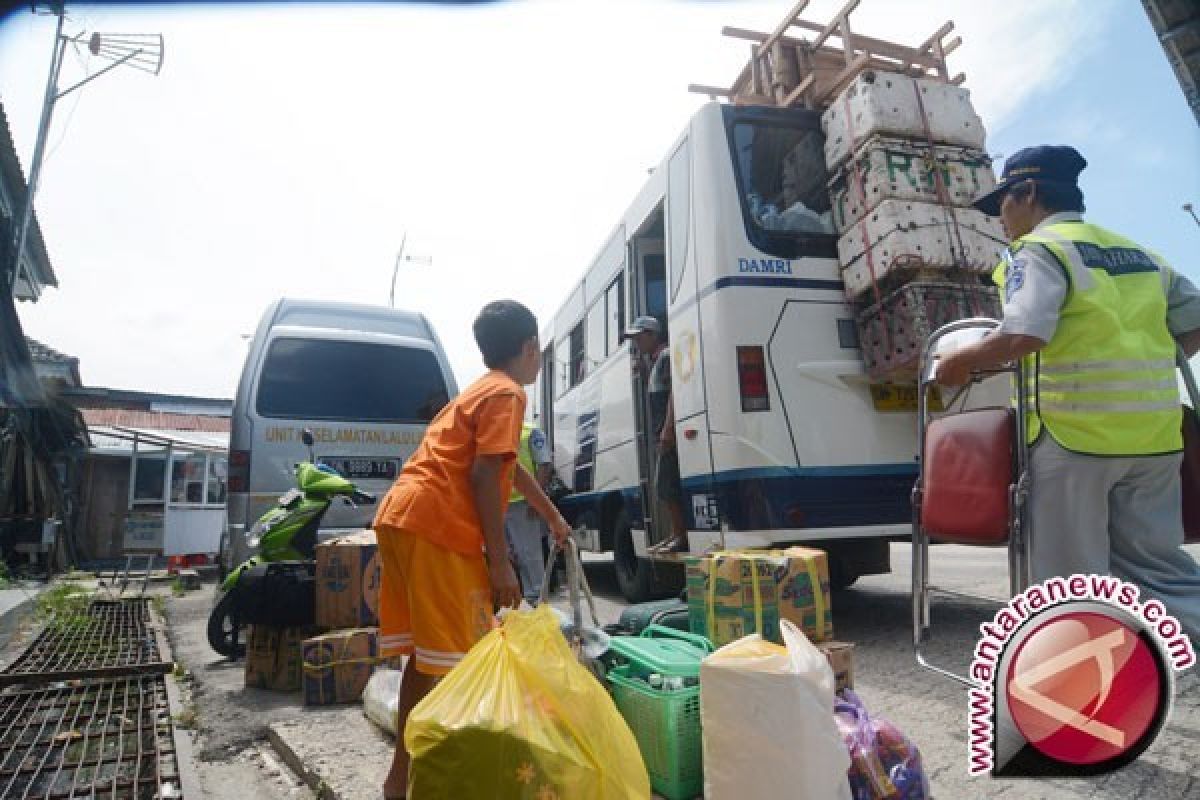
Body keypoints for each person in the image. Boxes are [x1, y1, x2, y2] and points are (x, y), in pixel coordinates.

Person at [935, 145, 1200, 643]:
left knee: (1072, 578)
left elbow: (1026, 334)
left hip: (1074, 436)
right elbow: (1196, 320)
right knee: (1161, 569)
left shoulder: (1039, 250)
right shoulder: (1140, 254)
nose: (1001, 221)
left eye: (1002, 207)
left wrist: (960, 360)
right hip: (1155, 436)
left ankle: (1077, 677)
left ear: (1029, 193)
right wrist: (1154, 360)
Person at [372, 299, 571, 800]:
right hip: (438, 527)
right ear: (529, 349)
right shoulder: (508, 393)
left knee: (427, 657)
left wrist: (550, 515)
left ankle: (400, 782)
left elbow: (508, 467)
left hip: (402, 519)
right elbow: (485, 475)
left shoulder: (478, 392)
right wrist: (500, 562)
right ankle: (449, 778)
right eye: (540, 352)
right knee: (458, 660)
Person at [626, 315, 687, 553]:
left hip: (667, 433)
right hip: (662, 431)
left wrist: (668, 429)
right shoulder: (655, 361)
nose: (636, 343)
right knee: (665, 486)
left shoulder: (666, 356)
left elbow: (674, 393)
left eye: (639, 337)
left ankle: (680, 536)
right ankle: (675, 533)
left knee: (666, 485)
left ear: (652, 335)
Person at [505, 422, 554, 605]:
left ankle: (537, 599)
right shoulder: (498, 429)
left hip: (523, 503)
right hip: (501, 501)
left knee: (529, 553)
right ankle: (525, 596)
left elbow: (544, 464)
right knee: (511, 554)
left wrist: (536, 499)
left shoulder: (531, 431)